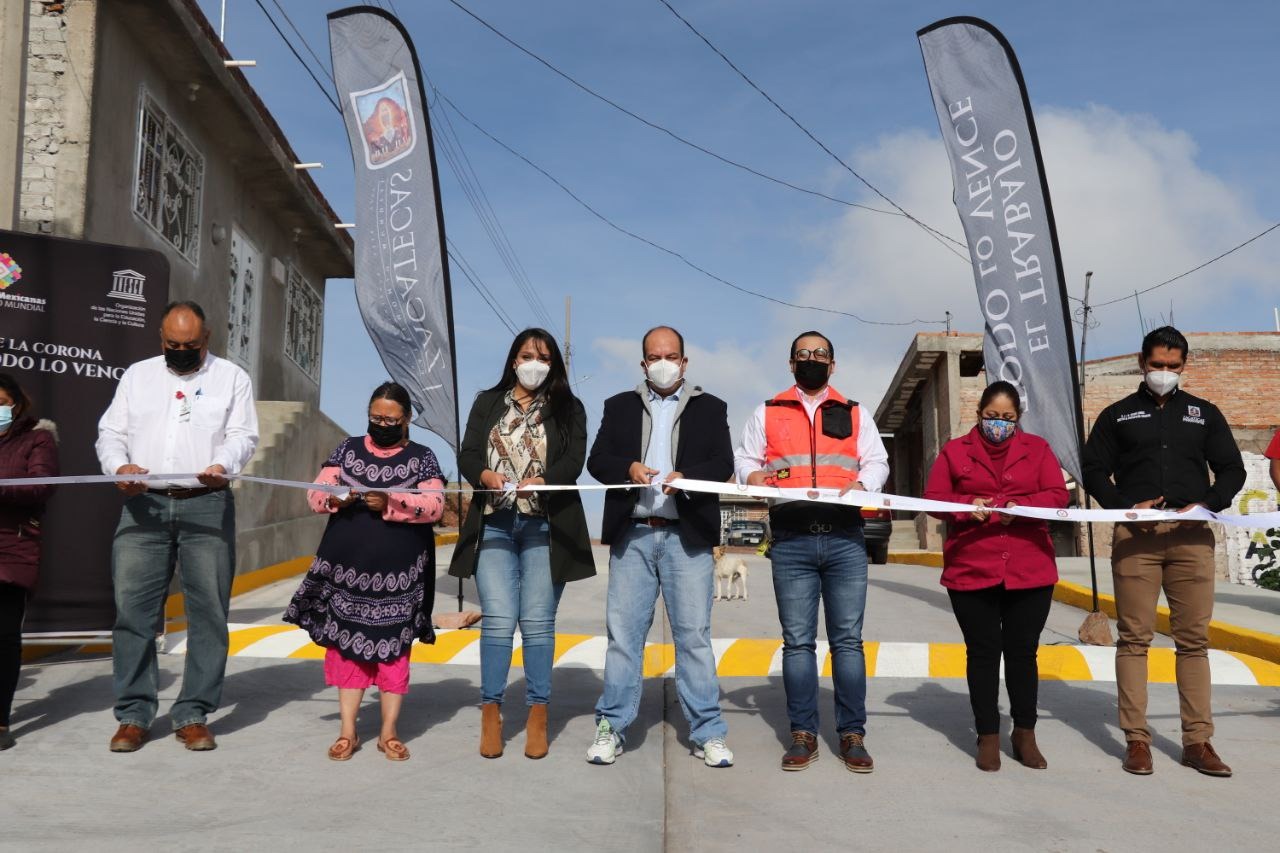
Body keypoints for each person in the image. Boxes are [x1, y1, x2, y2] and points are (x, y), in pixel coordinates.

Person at [95, 301, 259, 753]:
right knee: (134, 614)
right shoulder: (138, 376)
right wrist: (119, 466)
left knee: (208, 614)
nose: (181, 351)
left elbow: (243, 435)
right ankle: (133, 714)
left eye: (190, 345)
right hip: (143, 506)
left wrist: (224, 464)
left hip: (206, 504)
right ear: (160, 338)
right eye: (173, 344)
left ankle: (193, 713)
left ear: (206, 339)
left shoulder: (231, 378)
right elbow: (110, 433)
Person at [1083, 326, 1245, 777]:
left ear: (1184, 366)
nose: (1164, 373)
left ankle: (1198, 742)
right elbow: (1093, 469)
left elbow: (1232, 469)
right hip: (1138, 539)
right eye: (1157, 365)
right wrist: (1123, 508)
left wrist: (1208, 504)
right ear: (1142, 361)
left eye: (1173, 366)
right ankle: (1136, 740)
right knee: (1134, 639)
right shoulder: (1117, 415)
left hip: (1193, 537)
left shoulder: (1204, 414)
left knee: (1193, 641)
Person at [734, 331, 889, 773]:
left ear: (833, 365)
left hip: (845, 539)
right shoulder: (768, 411)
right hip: (792, 539)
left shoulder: (854, 412)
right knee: (797, 643)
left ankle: (851, 734)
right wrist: (753, 476)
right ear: (790, 363)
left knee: (847, 642)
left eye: (820, 354)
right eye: (803, 355)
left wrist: (865, 484)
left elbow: (877, 460)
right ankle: (802, 733)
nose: (811, 360)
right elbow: (745, 458)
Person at [585, 326, 735, 768]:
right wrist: (627, 466)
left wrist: (687, 476)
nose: (663, 363)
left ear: (685, 362)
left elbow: (723, 463)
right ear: (643, 363)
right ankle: (611, 728)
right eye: (654, 356)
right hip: (633, 534)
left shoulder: (711, 408)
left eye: (671, 356)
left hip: (686, 537)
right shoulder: (619, 406)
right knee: (624, 640)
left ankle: (708, 732)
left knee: (693, 639)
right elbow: (597, 461)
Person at [449, 328, 595, 759]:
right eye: (528, 355)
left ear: (554, 365)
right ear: (513, 360)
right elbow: (468, 453)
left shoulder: (570, 407)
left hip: (545, 528)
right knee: (497, 621)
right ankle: (491, 713)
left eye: (545, 357)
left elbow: (574, 461)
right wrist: (484, 476)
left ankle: (537, 715)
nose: (536, 363)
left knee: (536, 624)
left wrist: (546, 481)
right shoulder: (487, 401)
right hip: (494, 522)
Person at [285, 382, 444, 761]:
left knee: (393, 653)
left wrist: (391, 500)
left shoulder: (423, 457)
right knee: (346, 650)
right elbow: (314, 493)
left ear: (406, 419)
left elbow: (435, 505)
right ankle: (347, 732)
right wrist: (341, 496)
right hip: (346, 571)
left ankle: (388, 732)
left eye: (390, 419)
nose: (382, 424)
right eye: (375, 417)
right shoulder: (346, 449)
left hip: (401, 575)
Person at [923, 381, 1068, 772]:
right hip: (972, 567)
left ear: (1018, 419)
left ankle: (1025, 733)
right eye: (992, 417)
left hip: (1029, 569)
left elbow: (1057, 495)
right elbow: (932, 500)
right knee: (983, 653)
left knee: (1023, 654)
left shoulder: (1037, 449)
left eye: (1007, 418)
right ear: (979, 415)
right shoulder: (956, 452)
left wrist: (1019, 507)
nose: (999, 424)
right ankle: (987, 734)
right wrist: (966, 505)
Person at [0, 374, 59, 751]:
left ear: (16, 404)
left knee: (3, 635)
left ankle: (1, 720)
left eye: (1, 402)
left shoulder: (38, 437)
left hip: (12, 549)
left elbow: (41, 486)